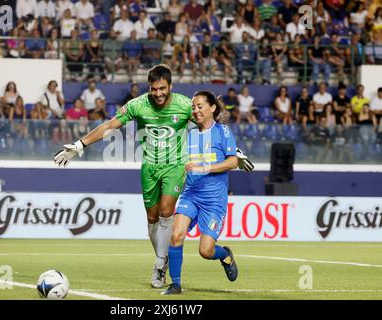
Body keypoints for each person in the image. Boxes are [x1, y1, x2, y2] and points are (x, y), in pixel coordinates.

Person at [53, 64, 254, 288]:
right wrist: (80, 145)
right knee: (152, 218)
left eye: (162, 88)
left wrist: (234, 151)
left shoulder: (183, 104)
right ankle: (162, 256)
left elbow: (209, 121)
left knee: (167, 211)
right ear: (149, 87)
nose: (158, 93)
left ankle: (161, 266)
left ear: (170, 86)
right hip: (150, 166)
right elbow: (111, 125)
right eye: (154, 89)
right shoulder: (138, 105)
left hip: (175, 166)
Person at [162, 91, 239, 295]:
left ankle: (225, 255)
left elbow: (233, 161)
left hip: (214, 200)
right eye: (193, 107)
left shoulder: (223, 132)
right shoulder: (189, 133)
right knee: (176, 235)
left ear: (212, 108)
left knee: (206, 251)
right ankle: (175, 284)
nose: (195, 110)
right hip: (191, 194)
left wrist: (204, 167)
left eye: (200, 106)